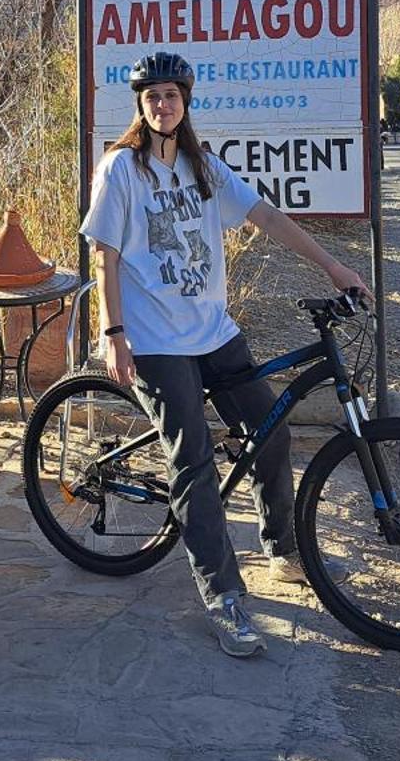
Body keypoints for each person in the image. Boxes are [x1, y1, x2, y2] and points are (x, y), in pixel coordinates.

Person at [81, 50, 370, 658]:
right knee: (195, 465)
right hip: (156, 342)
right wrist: (114, 333)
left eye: (172, 96)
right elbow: (104, 253)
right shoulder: (120, 170)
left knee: (272, 432)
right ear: (140, 104)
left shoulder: (204, 166)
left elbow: (265, 215)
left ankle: (282, 546)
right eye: (152, 96)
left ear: (186, 103)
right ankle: (223, 596)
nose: (163, 105)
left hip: (213, 331)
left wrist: (334, 266)